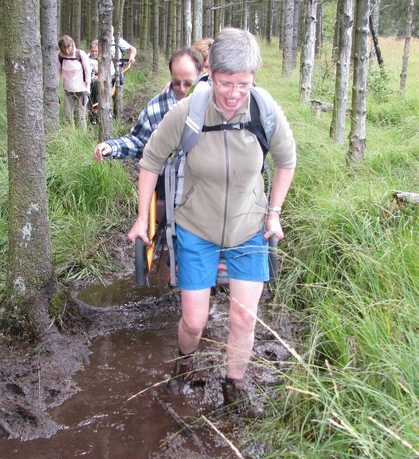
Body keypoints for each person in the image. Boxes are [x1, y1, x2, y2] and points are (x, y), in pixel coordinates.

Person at [127, 28, 297, 416]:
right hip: (196, 228)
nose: (234, 93)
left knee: (243, 316)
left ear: (254, 78)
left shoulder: (264, 111)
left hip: (248, 226)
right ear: (211, 73)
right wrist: (142, 220)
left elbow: (286, 160)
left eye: (243, 84)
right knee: (194, 321)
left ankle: (234, 384)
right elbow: (151, 160)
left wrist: (273, 214)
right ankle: (185, 361)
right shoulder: (189, 111)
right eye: (225, 83)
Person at [93, 47, 203, 162]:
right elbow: (138, 141)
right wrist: (111, 147)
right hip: (165, 177)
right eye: (176, 83)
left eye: (188, 84)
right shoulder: (156, 107)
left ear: (200, 77)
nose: (182, 89)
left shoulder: (211, 105)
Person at [58, 35, 91, 129]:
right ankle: (70, 135)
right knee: (68, 116)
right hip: (68, 91)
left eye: (68, 47)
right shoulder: (60, 56)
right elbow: (57, 72)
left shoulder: (80, 54)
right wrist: (55, 88)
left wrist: (88, 87)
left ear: (72, 45)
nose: (67, 51)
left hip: (82, 91)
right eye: (64, 48)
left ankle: (83, 137)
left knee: (81, 116)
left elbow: (87, 71)